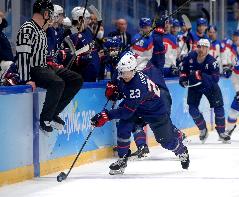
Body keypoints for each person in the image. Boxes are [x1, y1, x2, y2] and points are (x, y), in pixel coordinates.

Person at [91, 51, 190, 175]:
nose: (125, 75)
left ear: (134, 70)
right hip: (139, 106)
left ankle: (181, 150)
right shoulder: (124, 75)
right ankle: (122, 160)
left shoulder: (137, 86)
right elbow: (122, 87)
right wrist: (116, 90)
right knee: (123, 126)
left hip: (155, 111)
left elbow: (127, 111)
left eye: (127, 72)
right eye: (122, 72)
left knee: (166, 141)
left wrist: (107, 115)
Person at [16, 0, 83, 132]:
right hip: (34, 69)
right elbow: (22, 56)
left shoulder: (41, 30)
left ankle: (53, 113)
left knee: (76, 79)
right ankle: (45, 118)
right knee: (57, 83)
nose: (52, 17)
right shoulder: (27, 28)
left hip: (45, 67)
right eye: (50, 13)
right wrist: (26, 79)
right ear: (45, 13)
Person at [179, 38, 230, 143]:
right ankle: (203, 129)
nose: (201, 49)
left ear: (208, 48)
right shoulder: (190, 57)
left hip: (210, 87)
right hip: (194, 86)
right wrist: (183, 79)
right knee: (192, 109)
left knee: (218, 107)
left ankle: (221, 132)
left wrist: (201, 76)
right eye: (199, 46)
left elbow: (215, 79)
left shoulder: (212, 62)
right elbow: (184, 70)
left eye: (204, 47)